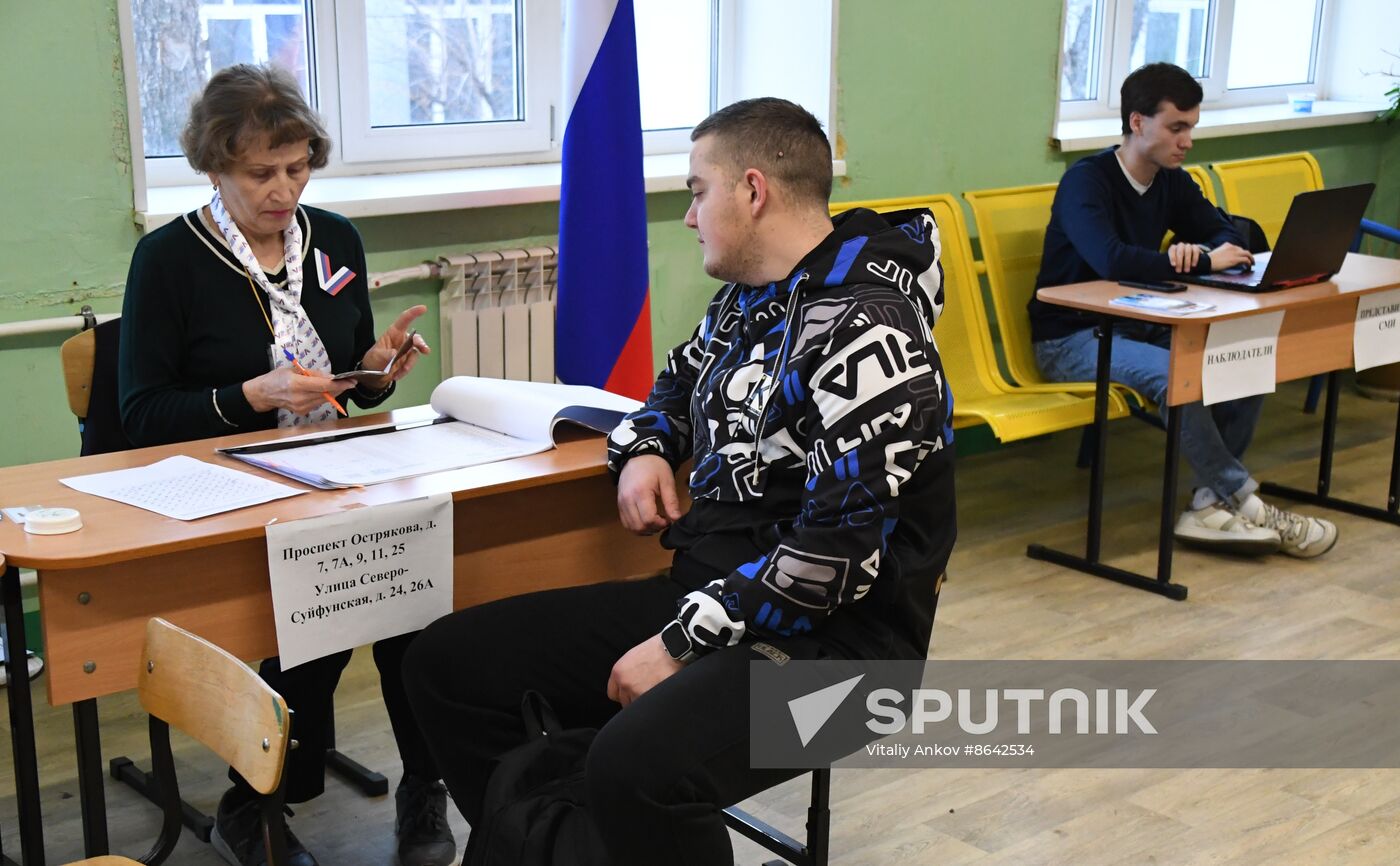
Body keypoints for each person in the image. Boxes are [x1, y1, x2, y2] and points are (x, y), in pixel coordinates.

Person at [402, 97, 956, 864]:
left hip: (848, 654)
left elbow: (835, 560)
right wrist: (646, 448)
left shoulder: (872, 331)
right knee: (447, 666)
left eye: (698, 190)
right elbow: (673, 385)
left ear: (752, 191)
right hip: (716, 597)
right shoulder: (750, 299)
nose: (691, 217)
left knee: (640, 766)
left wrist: (676, 644)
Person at [117, 65, 453, 866]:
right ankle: (257, 797)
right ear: (212, 168)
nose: (283, 190)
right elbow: (141, 416)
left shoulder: (333, 239)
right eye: (259, 172)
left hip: (324, 472)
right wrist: (249, 396)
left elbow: (347, 391)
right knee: (339, 584)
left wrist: (374, 369)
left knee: (412, 571)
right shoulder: (169, 259)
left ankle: (424, 783)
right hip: (218, 483)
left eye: (297, 168)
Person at [1029, 62, 1337, 559]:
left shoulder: (1170, 180)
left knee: (1242, 357)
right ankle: (1248, 503)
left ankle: (1208, 506)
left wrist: (1204, 250)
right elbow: (1108, 258)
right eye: (1177, 127)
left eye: (1191, 127)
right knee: (1181, 374)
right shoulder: (1086, 183)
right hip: (1072, 338)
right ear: (1137, 122)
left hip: (1140, 323)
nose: (1187, 140)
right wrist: (1187, 260)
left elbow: (1226, 232)